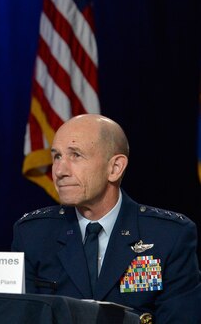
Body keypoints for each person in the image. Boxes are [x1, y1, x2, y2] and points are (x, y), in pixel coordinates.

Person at [12, 114, 200, 323]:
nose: (59, 171)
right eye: (57, 156)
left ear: (115, 168)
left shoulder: (169, 236)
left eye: (75, 155)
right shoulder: (32, 234)